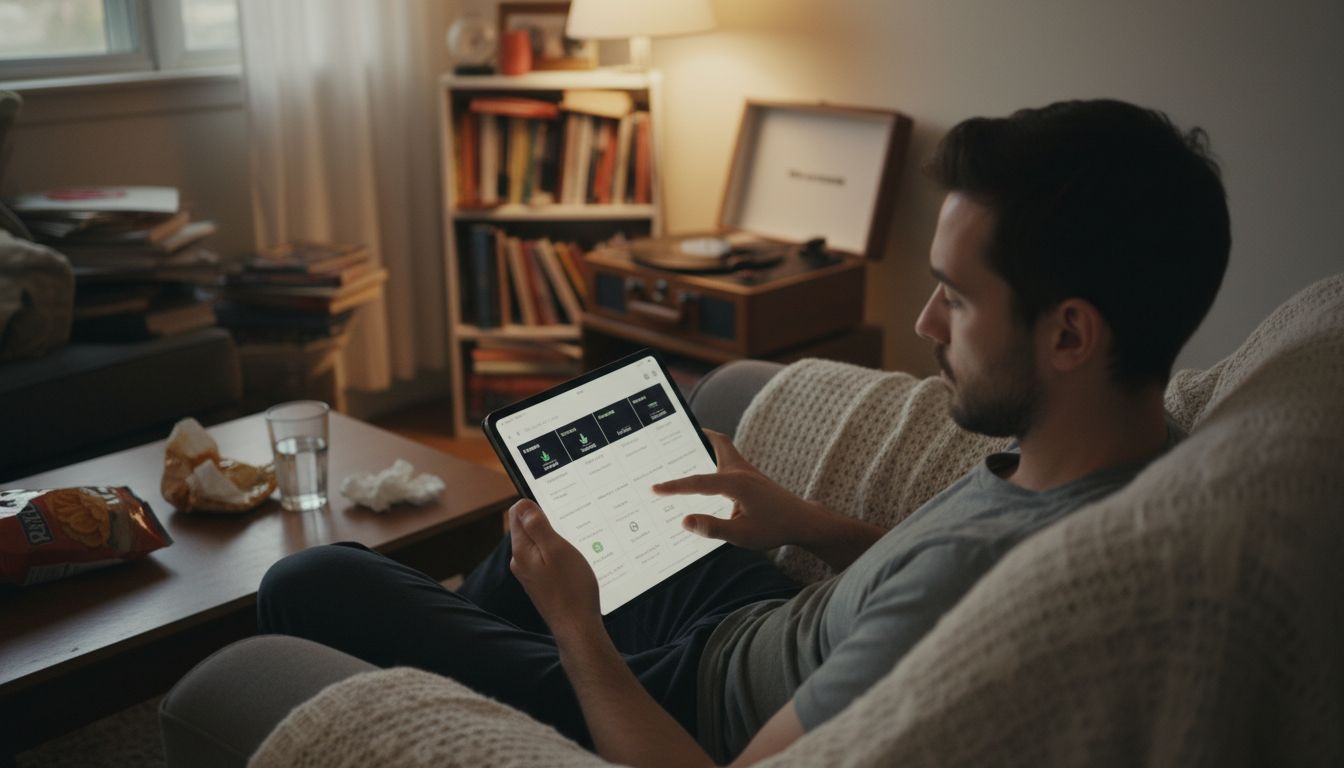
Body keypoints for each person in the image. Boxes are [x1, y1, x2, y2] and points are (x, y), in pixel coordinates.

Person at [257, 98, 1230, 767]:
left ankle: (505, 677)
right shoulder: (1113, 461)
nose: (927, 325)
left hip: (688, 703)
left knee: (314, 579)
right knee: (551, 527)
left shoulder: (1012, 582)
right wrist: (799, 522)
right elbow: (925, 569)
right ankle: (496, 639)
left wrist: (576, 626)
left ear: (1070, 333)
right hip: (759, 614)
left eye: (956, 298)